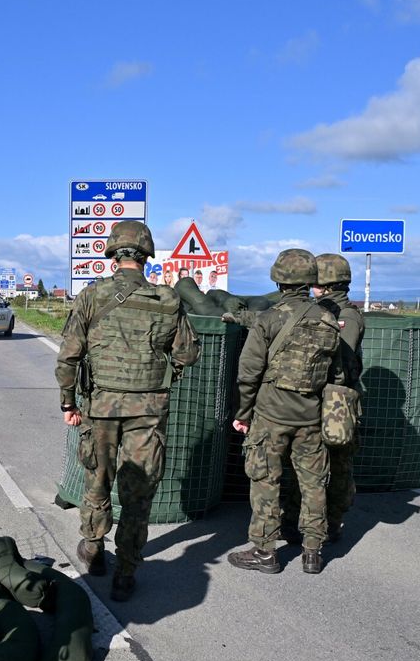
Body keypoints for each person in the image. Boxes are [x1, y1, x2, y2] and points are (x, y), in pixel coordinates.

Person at [56, 220, 200, 601]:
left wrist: (69, 402)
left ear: (113, 253)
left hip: (101, 406)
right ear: (146, 255)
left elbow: (69, 355)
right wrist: (159, 383)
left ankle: (92, 546)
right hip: (149, 410)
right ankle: (125, 573)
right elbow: (187, 353)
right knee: (138, 493)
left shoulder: (91, 296)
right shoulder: (168, 299)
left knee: (97, 479)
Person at [227, 249, 345, 576]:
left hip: (270, 416)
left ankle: (265, 552)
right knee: (314, 484)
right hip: (311, 418)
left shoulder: (268, 319)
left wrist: (243, 412)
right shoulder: (328, 321)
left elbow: (248, 372)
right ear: (310, 281)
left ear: (278, 280)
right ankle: (312, 551)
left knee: (265, 481)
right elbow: (336, 376)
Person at [312, 253, 364, 543]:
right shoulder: (318, 311)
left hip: (338, 399)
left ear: (326, 284)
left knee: (338, 462)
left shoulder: (347, 317)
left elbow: (342, 361)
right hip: (319, 395)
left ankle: (332, 521)